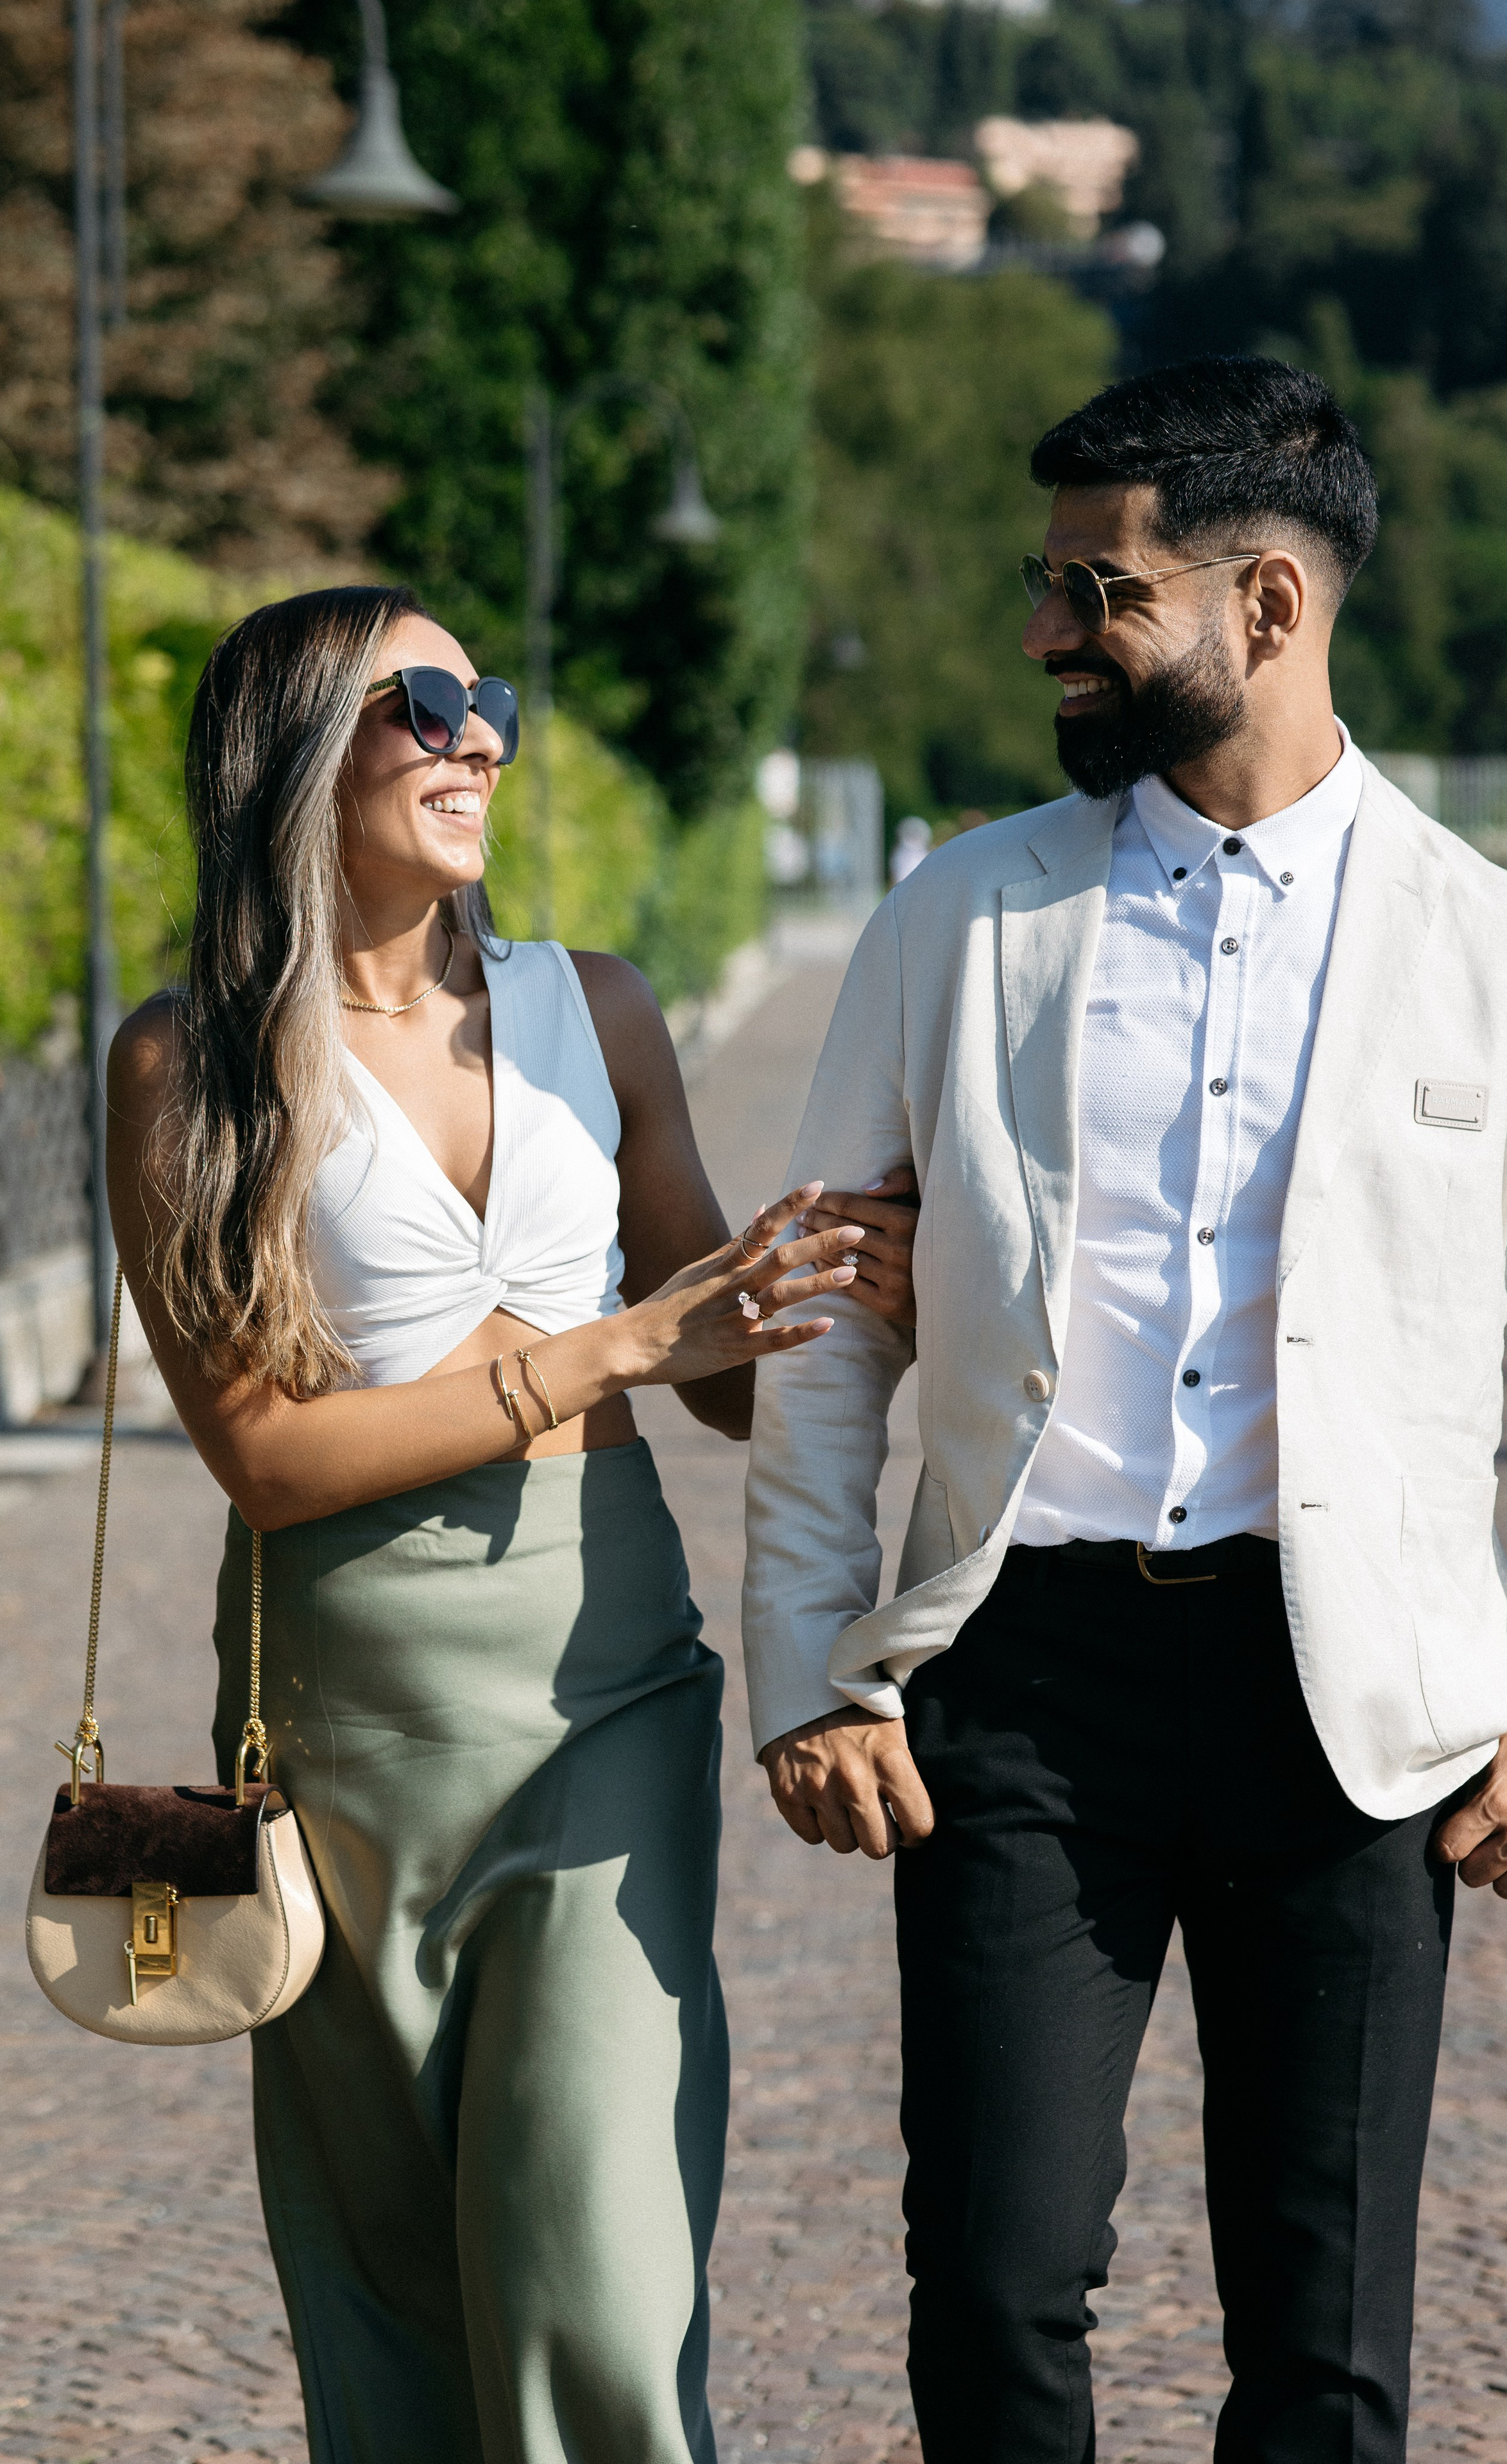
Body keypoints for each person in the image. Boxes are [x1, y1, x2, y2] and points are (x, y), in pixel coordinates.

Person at [742, 358, 1507, 2462]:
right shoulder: (960, 914)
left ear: (1268, 603)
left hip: (1358, 1708)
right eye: (1044, 580)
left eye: (1097, 589)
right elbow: (824, 1313)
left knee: (1324, 2340)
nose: (1049, 629)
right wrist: (810, 1662)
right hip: (1021, 1677)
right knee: (990, 2281)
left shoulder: (1501, 952)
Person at [105, 582, 914, 2464]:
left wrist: (853, 1296)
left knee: (601, 2268)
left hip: (599, 1688)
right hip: (340, 1718)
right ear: (295, 754)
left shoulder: (591, 1008)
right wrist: (617, 1347)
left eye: (496, 702)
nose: (482, 736)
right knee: (386, 2289)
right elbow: (265, 1459)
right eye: (431, 703)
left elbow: (707, 1370)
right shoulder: (192, 1065)